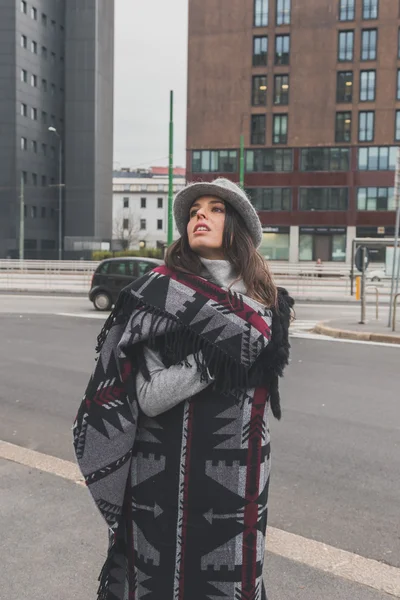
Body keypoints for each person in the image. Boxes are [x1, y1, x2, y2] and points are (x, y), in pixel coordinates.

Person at [73, 178, 294, 600]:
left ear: (238, 227)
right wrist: (216, 357)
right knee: (160, 581)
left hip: (237, 475)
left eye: (215, 208)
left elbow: (258, 406)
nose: (200, 216)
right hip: (165, 473)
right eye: (194, 211)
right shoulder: (159, 297)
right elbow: (151, 397)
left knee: (231, 581)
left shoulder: (268, 304)